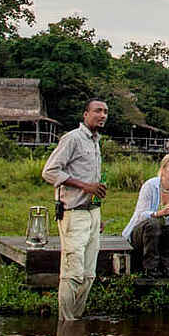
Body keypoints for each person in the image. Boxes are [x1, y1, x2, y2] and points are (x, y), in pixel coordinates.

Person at [41, 98, 108, 320]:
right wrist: (84, 186)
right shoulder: (72, 139)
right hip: (73, 212)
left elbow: (93, 181)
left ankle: (75, 321)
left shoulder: (96, 142)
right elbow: (49, 172)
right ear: (85, 114)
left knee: (89, 274)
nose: (102, 115)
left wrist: (97, 210)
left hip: (92, 212)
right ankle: (66, 323)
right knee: (73, 272)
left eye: (105, 112)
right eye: (97, 111)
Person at [124, 153, 169, 275]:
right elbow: (141, 215)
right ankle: (150, 268)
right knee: (153, 223)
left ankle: (167, 265)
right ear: (163, 170)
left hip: (164, 232)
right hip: (142, 233)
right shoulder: (150, 185)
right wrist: (159, 213)